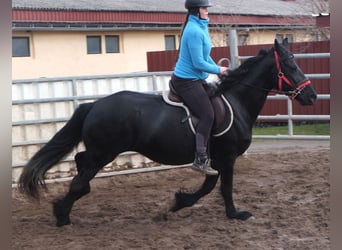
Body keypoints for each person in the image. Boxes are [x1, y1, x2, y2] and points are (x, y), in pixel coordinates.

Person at [170, 0, 229, 175]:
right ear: (197, 11)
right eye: (204, 8)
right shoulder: (194, 31)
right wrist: (218, 69)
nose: (207, 11)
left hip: (196, 79)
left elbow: (205, 56)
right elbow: (198, 63)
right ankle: (200, 159)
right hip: (186, 81)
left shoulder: (201, 27)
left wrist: (218, 71)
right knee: (207, 114)